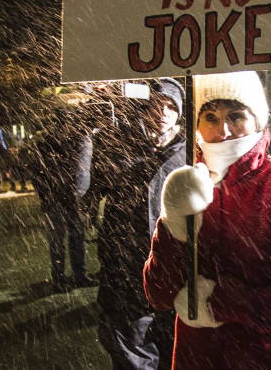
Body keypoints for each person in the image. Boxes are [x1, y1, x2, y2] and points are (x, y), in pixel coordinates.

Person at [143, 71, 271, 370]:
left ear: (259, 120)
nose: (223, 131)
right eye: (211, 117)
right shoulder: (187, 182)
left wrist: (220, 304)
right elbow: (158, 294)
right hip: (199, 357)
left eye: (237, 116)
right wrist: (173, 223)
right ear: (197, 124)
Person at [86, 78, 186, 370]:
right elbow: (86, 192)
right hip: (126, 269)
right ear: (144, 107)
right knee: (131, 353)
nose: (163, 112)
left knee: (176, 352)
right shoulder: (119, 144)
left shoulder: (190, 152)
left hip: (176, 271)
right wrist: (85, 135)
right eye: (157, 104)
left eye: (171, 106)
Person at [31, 108, 96, 293]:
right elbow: (38, 174)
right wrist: (46, 196)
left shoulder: (77, 140)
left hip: (69, 198)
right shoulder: (49, 144)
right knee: (64, 239)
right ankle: (63, 278)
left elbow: (85, 171)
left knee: (72, 238)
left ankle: (72, 276)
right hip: (61, 198)